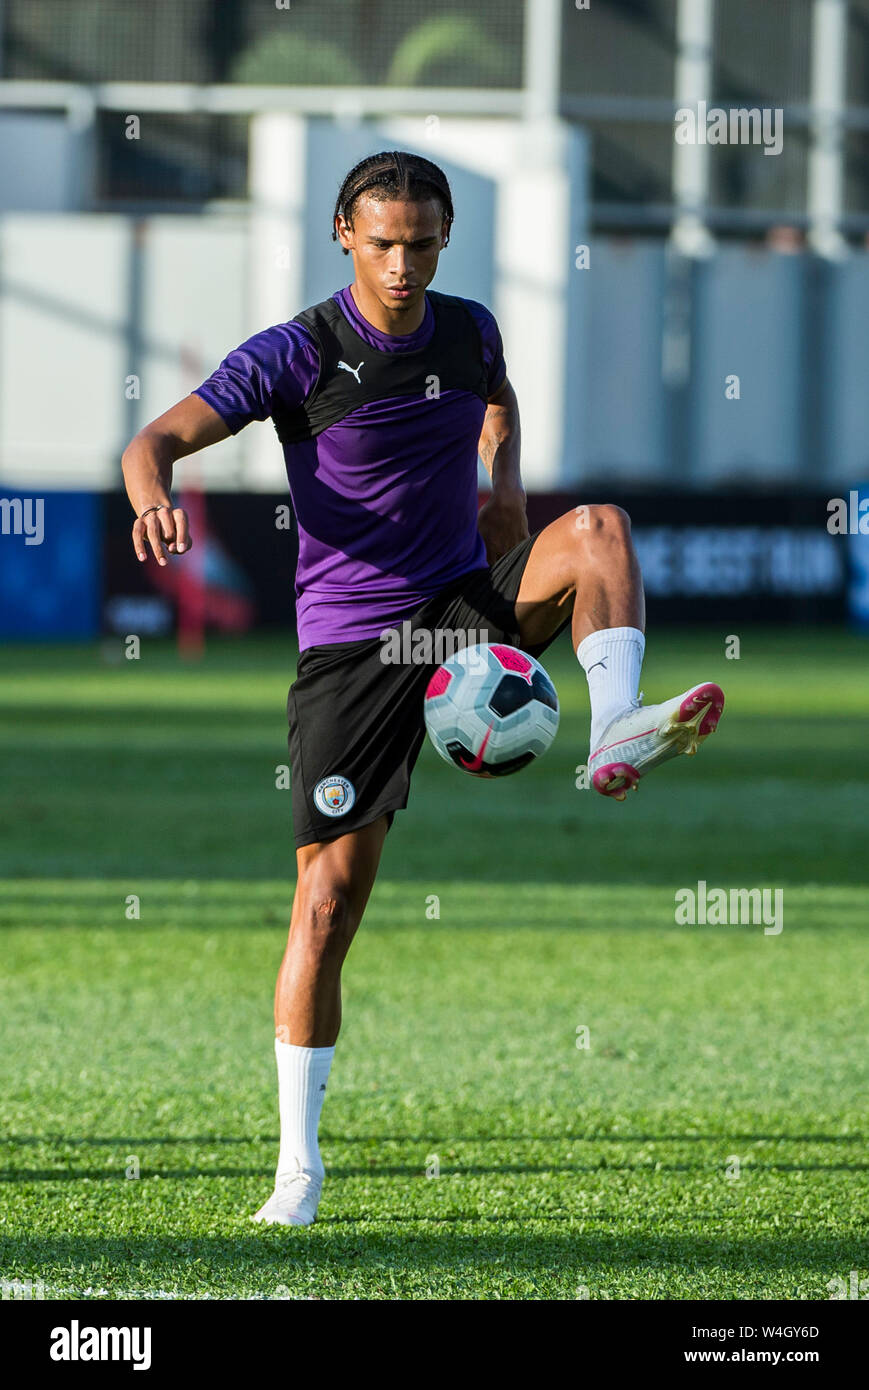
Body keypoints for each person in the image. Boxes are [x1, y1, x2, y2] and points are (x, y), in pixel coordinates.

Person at [121, 150, 724, 1228]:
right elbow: (154, 438)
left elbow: (496, 403)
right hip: (351, 652)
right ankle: (296, 1171)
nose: (404, 264)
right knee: (324, 907)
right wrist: (151, 495)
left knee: (596, 533)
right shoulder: (295, 353)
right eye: (385, 241)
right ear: (345, 236)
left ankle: (614, 729)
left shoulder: (469, 328)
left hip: (458, 612)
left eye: (424, 244)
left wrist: (504, 491)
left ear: (444, 241)